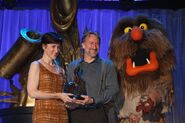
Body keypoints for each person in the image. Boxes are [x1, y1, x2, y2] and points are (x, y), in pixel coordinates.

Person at [66, 31, 120, 123]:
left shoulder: (107, 65)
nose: (94, 47)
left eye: (97, 44)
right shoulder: (73, 66)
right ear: (83, 45)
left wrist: (93, 100)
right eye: (91, 43)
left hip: (97, 113)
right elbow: (69, 89)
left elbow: (113, 90)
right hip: (76, 114)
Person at [27, 32, 74, 123]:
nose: (56, 51)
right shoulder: (36, 65)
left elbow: (63, 94)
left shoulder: (61, 70)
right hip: (44, 115)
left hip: (62, 115)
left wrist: (72, 101)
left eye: (58, 47)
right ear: (44, 47)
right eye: (53, 46)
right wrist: (58, 95)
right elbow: (32, 92)